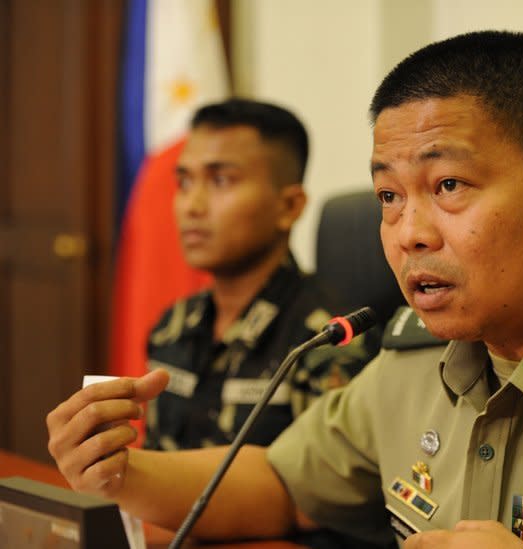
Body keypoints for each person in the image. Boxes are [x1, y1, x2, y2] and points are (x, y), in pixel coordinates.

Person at [47, 31, 523, 548]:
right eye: (389, 196)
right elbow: (282, 481)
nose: (407, 233)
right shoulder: (422, 351)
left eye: (448, 185)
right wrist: (121, 471)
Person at [138, 98, 381, 548]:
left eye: (221, 180)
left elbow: (331, 515)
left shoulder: (325, 338)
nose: (191, 205)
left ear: (289, 206)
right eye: (184, 181)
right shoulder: (173, 325)